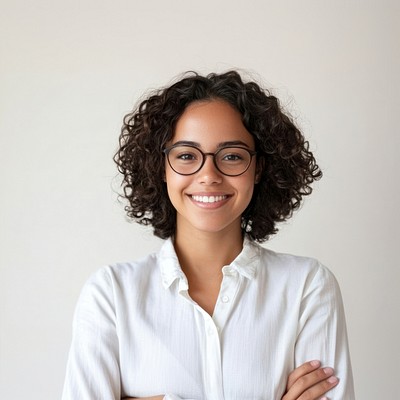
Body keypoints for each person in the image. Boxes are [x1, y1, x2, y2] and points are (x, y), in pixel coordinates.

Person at [62, 71, 355, 399]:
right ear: (162, 167)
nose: (208, 175)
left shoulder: (307, 287)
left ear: (258, 168)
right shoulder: (111, 296)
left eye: (231, 156)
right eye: (186, 155)